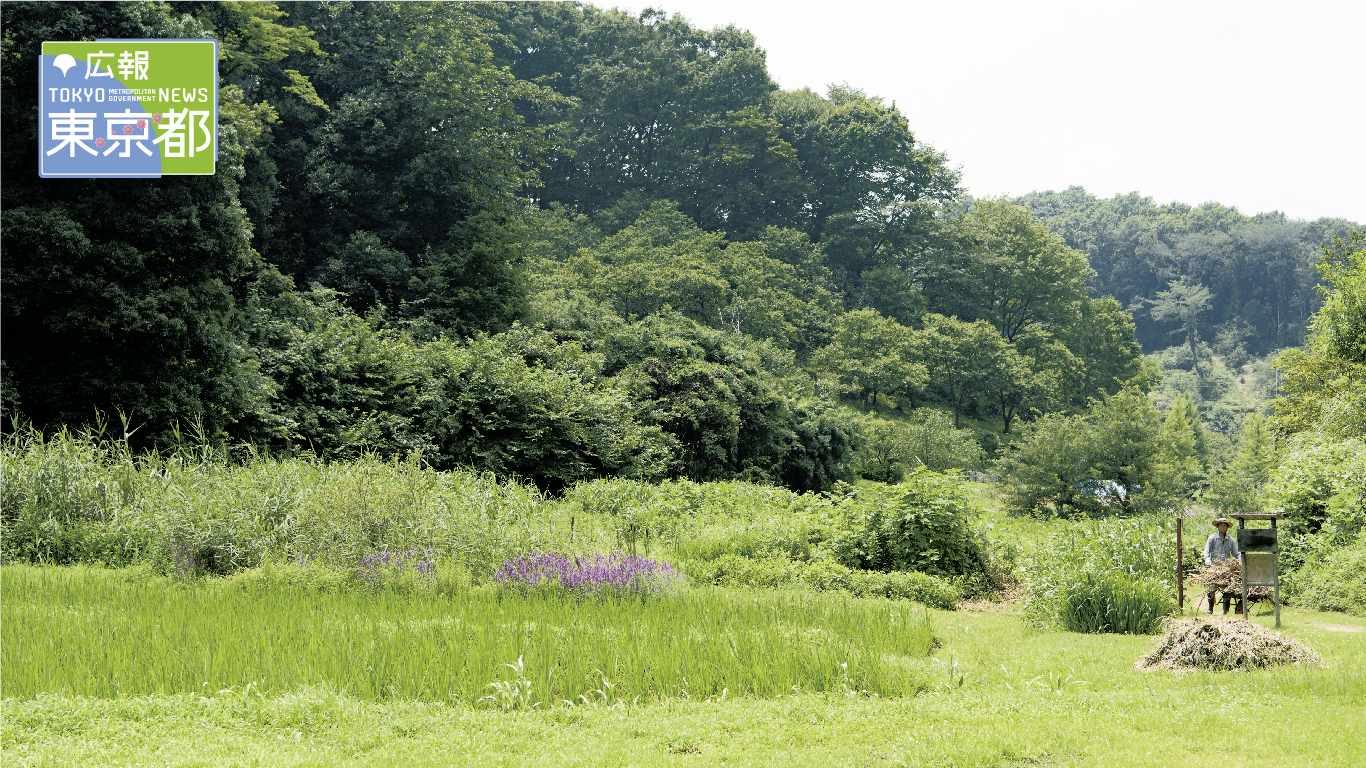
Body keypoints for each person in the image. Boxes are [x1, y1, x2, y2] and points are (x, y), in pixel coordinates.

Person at [1204, 517, 1241, 614]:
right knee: (1211, 589)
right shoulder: (1212, 538)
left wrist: (1239, 562)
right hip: (1214, 567)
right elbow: (1207, 552)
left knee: (1227, 590)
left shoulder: (1230, 540)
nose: (1223, 527)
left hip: (1226, 568)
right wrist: (1207, 560)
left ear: (1227, 527)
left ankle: (1226, 611)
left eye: (1224, 525)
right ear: (1218, 526)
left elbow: (1236, 554)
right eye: (1221, 525)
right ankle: (1210, 608)